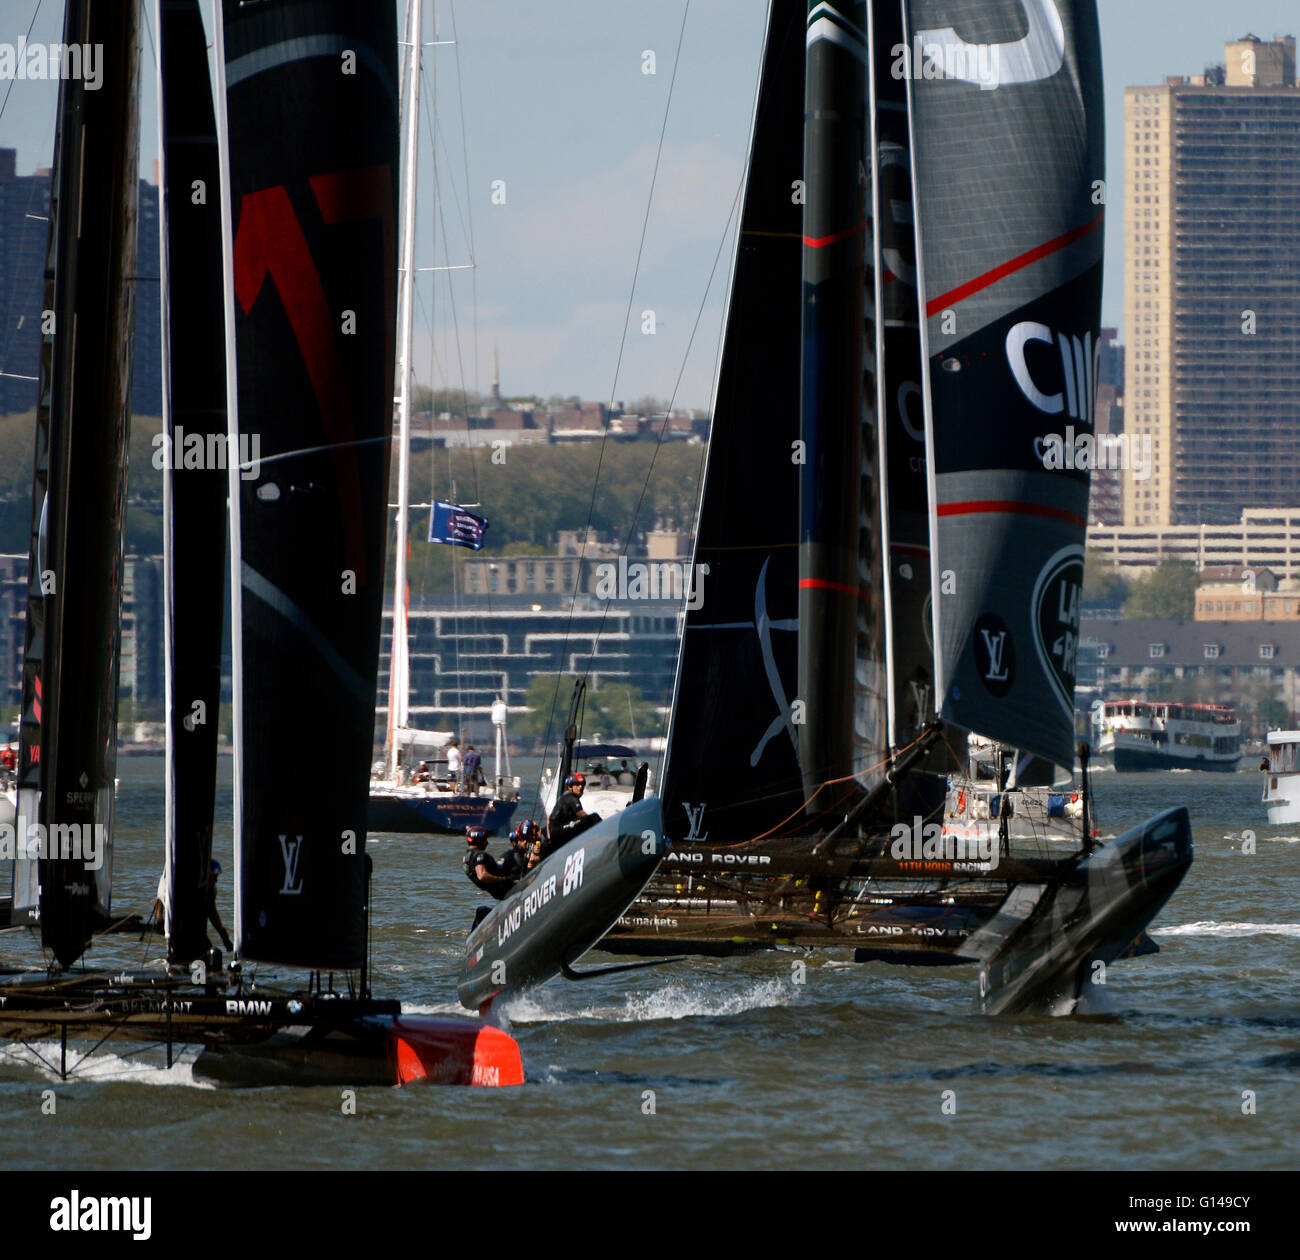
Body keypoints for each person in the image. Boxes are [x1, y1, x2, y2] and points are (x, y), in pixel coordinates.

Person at [538, 771, 602, 865]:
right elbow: (581, 814)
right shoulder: (571, 797)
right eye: (577, 784)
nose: (581, 787)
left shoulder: (566, 797)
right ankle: (601, 841)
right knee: (593, 818)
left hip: (557, 831)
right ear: (570, 786)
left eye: (582, 784)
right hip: (557, 831)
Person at [463, 826, 513, 899]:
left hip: (497, 893)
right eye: (485, 839)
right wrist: (503, 879)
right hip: (505, 889)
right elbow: (482, 876)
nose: (487, 843)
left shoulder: (467, 857)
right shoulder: (479, 855)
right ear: (478, 840)